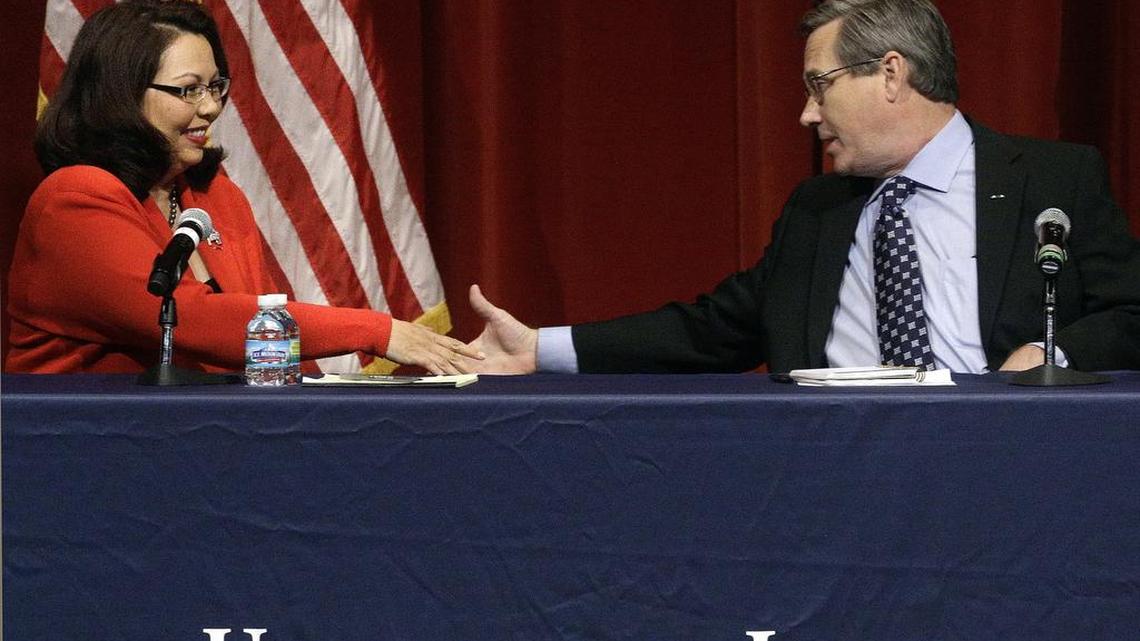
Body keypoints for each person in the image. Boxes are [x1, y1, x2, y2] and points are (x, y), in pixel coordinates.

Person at [463, 0, 1140, 375]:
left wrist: (1052, 354)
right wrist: (541, 347)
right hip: (836, 485)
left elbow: (1132, 313)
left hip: (1006, 475)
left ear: (892, 74)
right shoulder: (818, 210)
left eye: (819, 86)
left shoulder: (1054, 180)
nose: (807, 114)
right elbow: (717, 329)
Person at [5, 0, 480, 375]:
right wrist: (374, 330)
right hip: (81, 456)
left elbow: (265, 337)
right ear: (122, 96)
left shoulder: (217, 198)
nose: (211, 108)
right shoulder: (73, 199)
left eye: (216, 87)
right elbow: (189, 319)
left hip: (204, 443)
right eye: (189, 89)